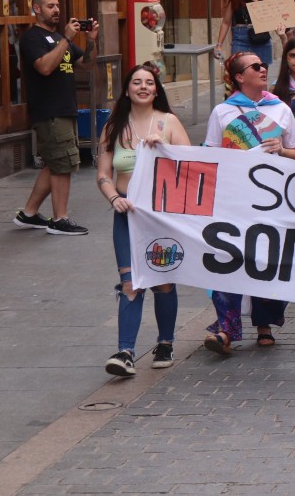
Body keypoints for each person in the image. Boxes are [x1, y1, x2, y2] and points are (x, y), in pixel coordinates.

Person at [202, 52, 295, 354]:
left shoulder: (281, 109)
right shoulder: (222, 112)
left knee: (268, 259)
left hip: (273, 199)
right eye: (255, 66)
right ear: (239, 77)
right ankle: (226, 329)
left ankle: (265, 324)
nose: (263, 69)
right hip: (235, 198)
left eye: (263, 65)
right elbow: (209, 156)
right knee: (229, 258)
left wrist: (282, 150)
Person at [96, 64, 191, 376]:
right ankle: (126, 352)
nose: (142, 87)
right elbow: (103, 176)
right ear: (127, 90)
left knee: (162, 283)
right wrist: (114, 198)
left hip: (160, 219)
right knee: (130, 283)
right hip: (126, 217)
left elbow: (192, 167)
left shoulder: (169, 122)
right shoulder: (113, 127)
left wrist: (162, 148)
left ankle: (165, 343)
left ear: (156, 90)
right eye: (136, 82)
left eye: (148, 83)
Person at [13, 0, 98, 236]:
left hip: (65, 108)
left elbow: (86, 64)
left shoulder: (61, 37)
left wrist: (91, 40)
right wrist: (66, 39)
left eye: (58, 5)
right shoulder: (32, 38)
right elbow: (45, 67)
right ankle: (60, 219)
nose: (57, 10)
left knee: (55, 162)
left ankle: (28, 214)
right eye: (50, 6)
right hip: (49, 111)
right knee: (63, 165)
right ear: (37, 9)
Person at [215, 0, 276, 66]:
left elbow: (269, 15)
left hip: (261, 38)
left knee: (261, 73)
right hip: (240, 38)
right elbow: (226, 22)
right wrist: (218, 45)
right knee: (239, 71)